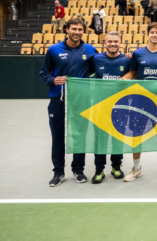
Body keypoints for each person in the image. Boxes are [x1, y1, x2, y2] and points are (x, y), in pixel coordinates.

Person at [39, 18, 97, 187]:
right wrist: (52, 79)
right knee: (58, 137)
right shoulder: (54, 49)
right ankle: (58, 172)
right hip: (58, 101)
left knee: (79, 136)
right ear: (66, 29)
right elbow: (44, 73)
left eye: (80, 29)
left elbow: (99, 68)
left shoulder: (90, 50)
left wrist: (127, 57)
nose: (77, 32)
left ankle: (78, 170)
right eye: (74, 29)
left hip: (81, 101)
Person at [121, 22, 157, 182]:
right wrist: (123, 79)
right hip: (140, 99)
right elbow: (132, 73)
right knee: (137, 134)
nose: (155, 35)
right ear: (148, 34)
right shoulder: (138, 53)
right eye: (152, 32)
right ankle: (136, 169)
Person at [88, 31, 129, 183]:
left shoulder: (126, 60)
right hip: (101, 107)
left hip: (121, 107)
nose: (113, 44)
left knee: (118, 138)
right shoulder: (96, 59)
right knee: (101, 139)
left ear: (120, 43)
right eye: (110, 41)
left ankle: (116, 167)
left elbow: (134, 75)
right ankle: (99, 170)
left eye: (115, 41)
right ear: (105, 43)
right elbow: (85, 75)